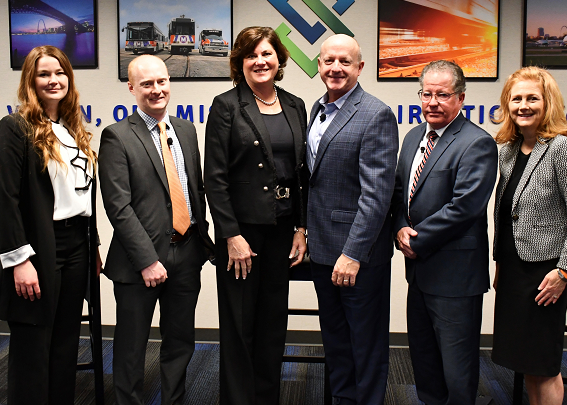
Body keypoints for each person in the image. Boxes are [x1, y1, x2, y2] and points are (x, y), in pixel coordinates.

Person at [99, 54, 214, 405]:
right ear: (131, 87)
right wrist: (147, 260)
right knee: (131, 348)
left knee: (180, 343)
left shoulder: (186, 129)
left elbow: (195, 190)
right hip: (140, 263)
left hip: (187, 252)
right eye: (147, 83)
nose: (156, 89)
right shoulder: (116, 136)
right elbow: (118, 207)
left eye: (161, 81)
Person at [0, 45, 98, 404]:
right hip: (36, 250)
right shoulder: (14, 127)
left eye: (60, 73)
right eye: (44, 74)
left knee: (66, 345)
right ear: (30, 81)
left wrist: (93, 245)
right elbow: (5, 200)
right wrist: (19, 260)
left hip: (76, 247)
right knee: (34, 349)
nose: (54, 80)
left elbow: (81, 197)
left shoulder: (70, 128)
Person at [204, 26, 308, 405]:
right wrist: (230, 235)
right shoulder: (226, 105)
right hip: (241, 235)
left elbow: (301, 174)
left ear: (279, 59)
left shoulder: (296, 104)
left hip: (282, 230)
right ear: (240, 63)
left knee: (271, 326)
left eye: (266, 54)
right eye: (251, 55)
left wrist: (301, 226)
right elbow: (214, 178)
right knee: (239, 327)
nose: (260, 61)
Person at [392, 60, 498, 405]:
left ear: (461, 98)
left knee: (457, 366)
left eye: (443, 94)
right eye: (426, 94)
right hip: (419, 271)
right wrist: (399, 227)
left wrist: (416, 238)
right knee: (423, 359)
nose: (432, 102)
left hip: (455, 275)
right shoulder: (412, 137)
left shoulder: (476, 143)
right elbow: (398, 193)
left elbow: (465, 207)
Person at [491, 67, 567, 405]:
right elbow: (507, 214)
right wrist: (500, 263)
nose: (523, 105)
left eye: (532, 98)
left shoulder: (563, 150)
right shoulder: (508, 150)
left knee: (544, 363)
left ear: (547, 103)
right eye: (516, 98)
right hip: (514, 270)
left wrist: (565, 272)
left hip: (546, 272)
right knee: (526, 361)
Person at [306, 33, 398, 405]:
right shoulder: (317, 108)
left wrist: (353, 253)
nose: (336, 68)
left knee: (366, 346)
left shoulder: (375, 114)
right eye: (329, 60)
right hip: (324, 251)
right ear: (319, 65)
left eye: (345, 61)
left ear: (360, 67)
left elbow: (377, 196)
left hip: (358, 257)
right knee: (337, 344)